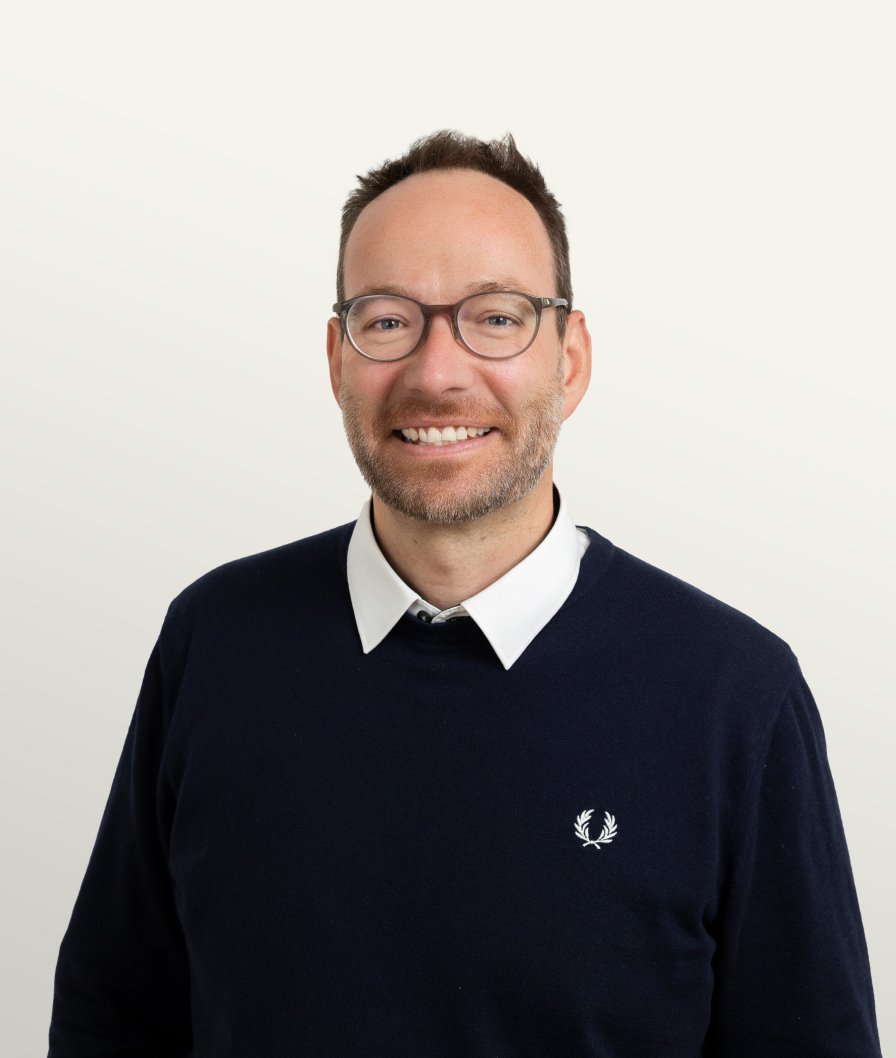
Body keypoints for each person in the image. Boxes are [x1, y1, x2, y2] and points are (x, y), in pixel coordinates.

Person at [49, 131, 880, 1057]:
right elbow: (111, 1014)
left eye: (496, 317)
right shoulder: (212, 641)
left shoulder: (736, 695)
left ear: (570, 361)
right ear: (336, 358)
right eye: (389, 319)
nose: (437, 373)